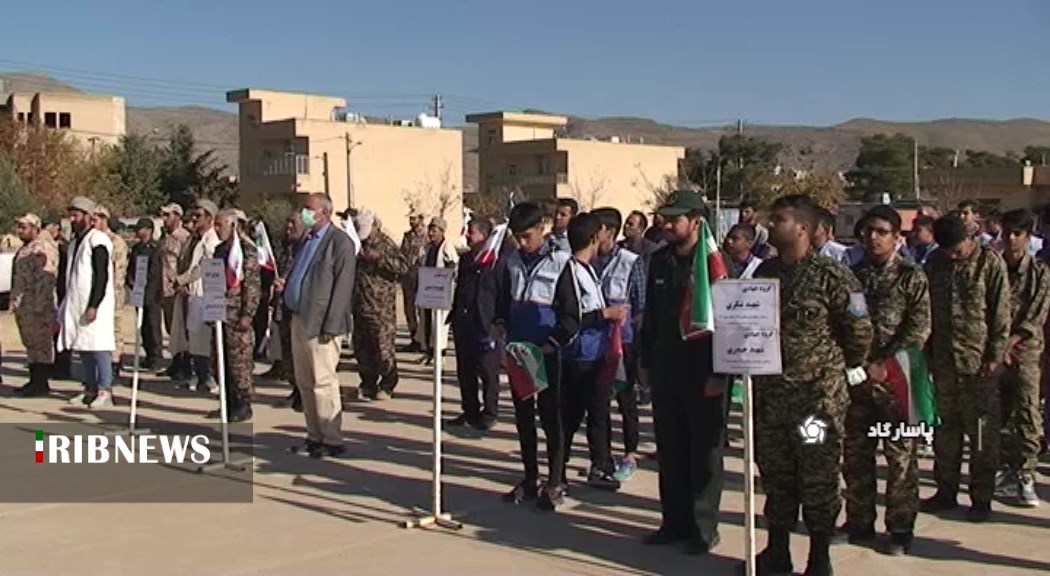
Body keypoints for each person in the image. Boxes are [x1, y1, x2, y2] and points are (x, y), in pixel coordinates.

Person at [749, 194, 873, 575]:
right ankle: (778, 552)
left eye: (780, 219)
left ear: (802, 228)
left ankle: (819, 558)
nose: (771, 225)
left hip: (814, 402)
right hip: (771, 400)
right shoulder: (763, 272)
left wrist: (835, 371)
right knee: (777, 476)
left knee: (818, 477)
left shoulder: (833, 276)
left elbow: (860, 330)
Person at [639, 191, 730, 556]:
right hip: (666, 370)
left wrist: (719, 374)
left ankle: (703, 527)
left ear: (696, 222)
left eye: (673, 219)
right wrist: (644, 363)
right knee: (671, 450)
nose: (665, 224)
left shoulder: (715, 264)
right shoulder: (659, 260)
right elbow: (652, 316)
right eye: (663, 217)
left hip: (703, 372)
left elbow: (728, 326)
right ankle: (672, 522)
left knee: (704, 455)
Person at [837, 206, 930, 556]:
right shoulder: (851, 275)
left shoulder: (911, 276)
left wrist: (884, 365)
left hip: (897, 383)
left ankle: (900, 529)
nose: (872, 237)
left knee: (900, 460)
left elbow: (919, 328)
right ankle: (859, 522)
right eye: (867, 231)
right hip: (857, 382)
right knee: (856, 455)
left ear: (896, 237)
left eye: (880, 231)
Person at [921, 213, 1010, 522]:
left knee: (983, 436)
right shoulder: (935, 263)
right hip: (944, 364)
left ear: (969, 239)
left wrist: (995, 356)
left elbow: (1001, 314)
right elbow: (926, 311)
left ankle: (981, 498)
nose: (952, 255)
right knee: (946, 432)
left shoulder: (990, 263)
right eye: (947, 250)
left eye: (957, 249)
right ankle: (945, 491)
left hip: (979, 366)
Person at [494, 201, 581, 511]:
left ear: (542, 229)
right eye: (516, 236)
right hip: (519, 351)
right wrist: (500, 324)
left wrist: (551, 345)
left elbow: (572, 315)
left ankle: (555, 479)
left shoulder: (561, 263)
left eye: (527, 236)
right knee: (523, 418)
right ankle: (529, 477)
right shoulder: (512, 261)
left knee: (551, 418)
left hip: (547, 353)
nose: (521, 242)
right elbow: (504, 301)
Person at [280, 193, 356, 456]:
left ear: (325, 212)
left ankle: (332, 439)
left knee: (323, 382)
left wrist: (331, 326)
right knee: (305, 382)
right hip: (299, 318)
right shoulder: (306, 240)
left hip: (322, 324)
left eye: (309, 209)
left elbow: (343, 288)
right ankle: (314, 436)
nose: (304, 214)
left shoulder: (340, 243)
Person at [560, 211, 628, 492]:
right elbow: (570, 318)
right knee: (574, 416)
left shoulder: (589, 270)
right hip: (580, 357)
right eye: (601, 234)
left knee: (599, 414)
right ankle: (559, 469)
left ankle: (600, 463)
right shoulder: (571, 272)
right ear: (592, 238)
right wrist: (605, 314)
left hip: (598, 354)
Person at [995, 209, 1050, 507]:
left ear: (1029, 237)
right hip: (995, 354)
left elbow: (1035, 315)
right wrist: (997, 347)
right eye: (1007, 234)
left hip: (1026, 352)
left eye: (1017, 234)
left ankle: (1026, 472)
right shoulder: (994, 269)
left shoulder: (1040, 272)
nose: (1011, 239)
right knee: (997, 414)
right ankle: (1005, 470)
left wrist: (1010, 344)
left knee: (1028, 412)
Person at [591, 207, 646, 479]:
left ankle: (630, 453)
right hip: (595, 339)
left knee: (626, 400)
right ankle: (602, 458)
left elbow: (640, 303)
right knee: (599, 402)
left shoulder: (629, 261)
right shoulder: (586, 260)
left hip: (624, 341)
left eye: (597, 231)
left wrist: (632, 333)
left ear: (610, 233)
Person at [57, 197, 118, 409]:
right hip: (77, 303)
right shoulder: (75, 243)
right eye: (71, 214)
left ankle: (105, 390)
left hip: (95, 305)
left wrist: (94, 304)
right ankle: (89, 389)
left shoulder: (98, 240)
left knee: (99, 346)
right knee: (83, 346)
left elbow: (101, 276)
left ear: (89, 218)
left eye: (77, 215)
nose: (72, 219)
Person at [448, 218, 502, 431]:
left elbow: (500, 294)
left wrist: (497, 325)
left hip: (486, 324)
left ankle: (489, 413)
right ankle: (470, 411)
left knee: (489, 372)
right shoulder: (467, 259)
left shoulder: (495, 261)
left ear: (484, 235)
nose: (468, 235)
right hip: (464, 322)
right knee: (465, 371)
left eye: (472, 232)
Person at [209, 210, 262, 422]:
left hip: (237, 315)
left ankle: (243, 403)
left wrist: (247, 314)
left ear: (232, 225)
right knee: (220, 361)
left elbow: (252, 286)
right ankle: (227, 402)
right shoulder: (219, 250)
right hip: (220, 313)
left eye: (220, 224)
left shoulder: (246, 251)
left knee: (239, 363)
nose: (216, 229)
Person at [352, 211, 408, 400]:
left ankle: (387, 384)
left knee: (382, 348)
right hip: (360, 305)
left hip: (381, 308)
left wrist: (380, 259)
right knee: (362, 348)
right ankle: (367, 383)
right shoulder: (356, 242)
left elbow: (403, 267)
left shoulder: (385, 244)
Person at [10, 213, 59, 397]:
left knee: (41, 345)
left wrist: (39, 306)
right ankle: (33, 380)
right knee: (31, 344)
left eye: (24, 227)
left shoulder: (43, 247)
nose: (20, 231)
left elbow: (46, 278)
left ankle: (41, 383)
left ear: (35, 228)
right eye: (19, 227)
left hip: (38, 306)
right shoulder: (27, 247)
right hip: (26, 305)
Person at [176, 199, 222, 394]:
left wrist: (181, 279)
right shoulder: (199, 239)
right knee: (194, 339)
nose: (194, 219)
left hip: (206, 296)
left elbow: (203, 267)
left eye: (198, 216)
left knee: (204, 340)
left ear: (210, 218)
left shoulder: (212, 241)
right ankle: (199, 375)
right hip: (195, 295)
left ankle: (208, 377)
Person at [270, 211, 305, 410]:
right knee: (287, 353)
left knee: (300, 355)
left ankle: (303, 393)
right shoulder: (288, 248)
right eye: (287, 223)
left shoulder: (307, 248)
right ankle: (295, 388)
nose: (289, 227)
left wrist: (287, 283)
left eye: (293, 222)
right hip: (283, 308)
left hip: (298, 310)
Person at [93, 205, 128, 379]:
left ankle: (115, 364)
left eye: (97, 219)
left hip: (113, 293)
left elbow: (119, 272)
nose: (94, 222)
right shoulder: (91, 239)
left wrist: (113, 294)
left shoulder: (116, 242)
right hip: (96, 294)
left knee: (115, 330)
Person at [418, 216, 459, 364]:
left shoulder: (447, 247)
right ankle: (429, 352)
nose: (431, 234)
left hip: (441, 292)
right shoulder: (428, 248)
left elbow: (454, 266)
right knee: (428, 323)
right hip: (428, 291)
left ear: (442, 232)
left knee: (440, 325)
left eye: (434, 231)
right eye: (430, 230)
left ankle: (440, 354)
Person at [158, 203, 191, 378]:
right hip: (165, 290)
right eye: (163, 215)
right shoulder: (164, 238)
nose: (164, 219)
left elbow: (186, 263)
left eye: (167, 215)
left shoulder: (184, 238)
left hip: (177, 289)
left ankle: (186, 365)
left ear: (177, 216)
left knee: (181, 329)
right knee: (171, 328)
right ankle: (175, 361)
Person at [126, 218, 162, 369]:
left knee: (153, 327)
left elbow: (155, 273)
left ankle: (155, 357)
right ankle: (147, 355)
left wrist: (149, 292)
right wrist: (132, 283)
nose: (138, 232)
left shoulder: (156, 248)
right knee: (143, 327)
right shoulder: (136, 249)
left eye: (141, 229)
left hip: (152, 294)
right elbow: (131, 269)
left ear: (149, 230)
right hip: (138, 292)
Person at [399, 213, 428, 353]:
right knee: (409, 309)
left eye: (414, 218)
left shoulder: (427, 235)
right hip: (408, 276)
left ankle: (423, 339)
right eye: (410, 218)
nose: (411, 221)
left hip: (422, 276)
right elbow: (402, 255)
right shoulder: (407, 236)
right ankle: (414, 339)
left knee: (422, 310)